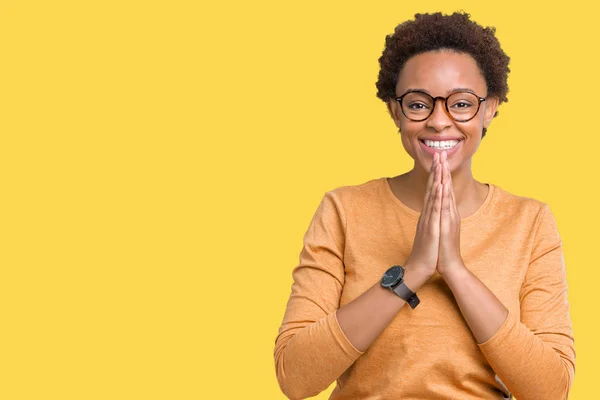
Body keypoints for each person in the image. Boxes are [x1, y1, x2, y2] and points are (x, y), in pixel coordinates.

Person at [273, 11, 575, 400]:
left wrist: (454, 270)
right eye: (418, 105)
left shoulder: (530, 221)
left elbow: (551, 391)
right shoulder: (343, 209)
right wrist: (413, 270)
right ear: (395, 111)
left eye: (461, 104)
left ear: (489, 109)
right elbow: (295, 378)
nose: (438, 121)